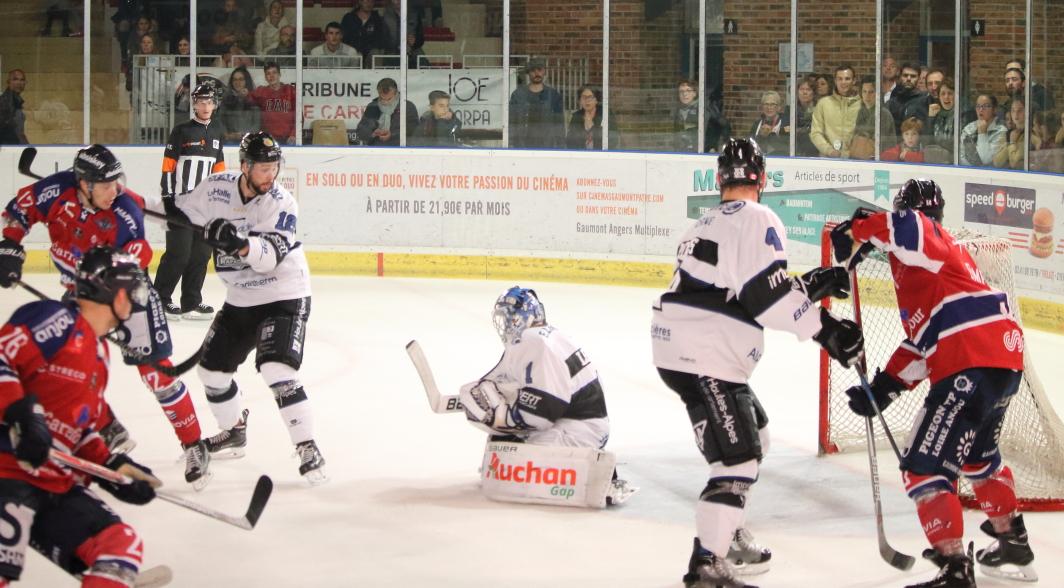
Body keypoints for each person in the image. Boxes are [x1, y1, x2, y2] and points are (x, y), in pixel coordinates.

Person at [651, 138, 862, 587]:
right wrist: (827, 331)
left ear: (719, 179)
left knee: (757, 436)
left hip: (686, 347)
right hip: (706, 352)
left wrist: (811, 285)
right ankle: (707, 563)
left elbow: (744, 290)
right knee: (739, 460)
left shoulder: (703, 222)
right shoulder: (759, 217)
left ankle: (727, 529)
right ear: (763, 179)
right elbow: (764, 300)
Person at [831, 179, 1035, 588]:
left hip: (970, 363)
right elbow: (926, 341)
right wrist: (884, 388)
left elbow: (910, 226)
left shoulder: (929, 239)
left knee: (923, 467)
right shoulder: (934, 268)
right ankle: (1012, 540)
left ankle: (954, 567)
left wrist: (860, 229)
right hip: (999, 362)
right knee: (977, 457)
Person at [0, 145, 211, 488]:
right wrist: (10, 246)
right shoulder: (56, 191)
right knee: (68, 362)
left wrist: (103, 285)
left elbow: (137, 257)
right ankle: (107, 427)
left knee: (156, 375)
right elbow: (19, 209)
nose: (115, 190)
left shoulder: (125, 210)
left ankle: (194, 444)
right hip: (83, 296)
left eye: (117, 182)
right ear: (84, 184)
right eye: (106, 184)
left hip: (127, 295)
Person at [0, 246, 162, 588]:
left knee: (120, 547)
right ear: (114, 291)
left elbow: (80, 429)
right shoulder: (57, 319)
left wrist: (112, 468)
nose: (135, 300)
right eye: (131, 289)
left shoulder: (100, 353)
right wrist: (21, 415)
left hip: (52, 482)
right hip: (7, 469)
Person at [175, 131, 327, 485]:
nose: (271, 175)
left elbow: (269, 256)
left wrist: (238, 244)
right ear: (244, 166)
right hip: (241, 298)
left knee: (276, 369)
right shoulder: (216, 188)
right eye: (263, 168)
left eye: (274, 167)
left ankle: (307, 446)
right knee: (211, 374)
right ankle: (234, 430)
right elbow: (179, 209)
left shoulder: (282, 202)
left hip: (284, 293)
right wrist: (123, 200)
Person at [459, 287, 634, 506]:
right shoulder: (539, 337)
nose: (505, 324)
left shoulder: (535, 342)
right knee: (503, 442)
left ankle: (591, 471)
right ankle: (585, 464)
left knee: (512, 456)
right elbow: (502, 379)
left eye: (509, 317)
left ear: (526, 316)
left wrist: (502, 417)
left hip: (580, 430)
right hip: (580, 423)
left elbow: (543, 412)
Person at [155, 83, 226, 323]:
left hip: (206, 206)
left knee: (201, 255)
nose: (205, 106)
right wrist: (168, 200)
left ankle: (191, 302)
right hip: (181, 203)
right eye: (201, 102)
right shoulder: (181, 131)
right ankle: (160, 300)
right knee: (179, 254)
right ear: (194, 104)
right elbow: (168, 167)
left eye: (209, 102)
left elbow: (219, 170)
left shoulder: (217, 132)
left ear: (215, 105)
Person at [509, 58, 564, 149]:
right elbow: (511, 122)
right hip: (522, 146)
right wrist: (510, 144)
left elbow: (559, 125)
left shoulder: (553, 95)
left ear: (544, 71)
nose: (537, 73)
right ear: (528, 73)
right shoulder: (518, 95)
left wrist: (560, 147)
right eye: (533, 70)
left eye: (539, 69)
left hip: (547, 147)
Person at [810, 64, 861, 158]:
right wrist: (829, 151)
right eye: (840, 79)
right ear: (835, 81)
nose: (843, 82)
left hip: (855, 159)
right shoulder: (823, 103)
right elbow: (815, 132)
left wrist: (855, 152)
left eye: (847, 79)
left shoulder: (861, 105)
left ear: (854, 80)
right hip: (828, 159)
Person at [671, 78, 730, 153]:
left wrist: (713, 146)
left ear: (695, 93)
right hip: (683, 152)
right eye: (681, 91)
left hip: (703, 152)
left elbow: (724, 125)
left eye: (688, 91)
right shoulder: (678, 111)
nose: (684, 94)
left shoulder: (705, 108)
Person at [355, 77, 419, 146]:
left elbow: (414, 130)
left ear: (396, 94)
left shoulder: (407, 107)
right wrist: (372, 133)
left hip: (400, 148)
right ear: (378, 93)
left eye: (389, 99)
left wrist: (392, 134)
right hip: (376, 148)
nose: (385, 102)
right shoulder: (373, 106)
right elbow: (360, 132)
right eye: (382, 98)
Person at [248, 62, 296, 144]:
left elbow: (298, 116)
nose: (271, 76)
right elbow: (246, 101)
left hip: (288, 139)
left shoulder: (290, 90)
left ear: (279, 75)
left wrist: (293, 135)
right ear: (265, 77)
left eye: (274, 72)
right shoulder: (261, 91)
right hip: (267, 140)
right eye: (268, 74)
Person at [960, 94, 1007, 167]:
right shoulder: (969, 128)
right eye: (978, 106)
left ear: (994, 109)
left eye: (985, 106)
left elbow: (986, 160)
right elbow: (961, 156)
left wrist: (982, 134)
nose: (981, 109)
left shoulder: (1001, 131)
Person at [219, 66, 261, 144]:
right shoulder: (226, 98)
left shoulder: (254, 98)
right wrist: (226, 134)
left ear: (247, 81)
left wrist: (242, 135)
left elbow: (256, 124)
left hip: (249, 142)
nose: (237, 82)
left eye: (241, 79)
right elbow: (220, 120)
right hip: (229, 142)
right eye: (235, 79)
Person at [565, 85, 616, 150]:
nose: (587, 100)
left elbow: (613, 140)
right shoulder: (576, 116)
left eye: (590, 97)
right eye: (584, 97)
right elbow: (569, 142)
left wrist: (592, 127)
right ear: (580, 101)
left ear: (596, 100)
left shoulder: (605, 114)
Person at [340, 0, 384, 67]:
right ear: (360, 1)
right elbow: (344, 39)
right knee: (355, 55)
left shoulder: (377, 19)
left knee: (376, 54)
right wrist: (355, 50)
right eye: (366, 1)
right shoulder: (349, 18)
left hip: (370, 53)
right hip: (353, 52)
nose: (369, 3)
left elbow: (380, 41)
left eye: (371, 1)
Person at [748, 91, 788, 155]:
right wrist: (761, 136)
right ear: (762, 107)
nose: (769, 107)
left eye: (773, 104)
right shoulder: (757, 124)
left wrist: (770, 135)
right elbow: (749, 146)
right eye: (766, 104)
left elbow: (786, 148)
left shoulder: (785, 123)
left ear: (779, 107)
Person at [0, 69, 28, 145]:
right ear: (8, 82)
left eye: (22, 80)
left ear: (25, 83)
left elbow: (19, 132)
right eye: (15, 79)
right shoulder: (5, 102)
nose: (19, 83)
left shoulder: (16, 101)